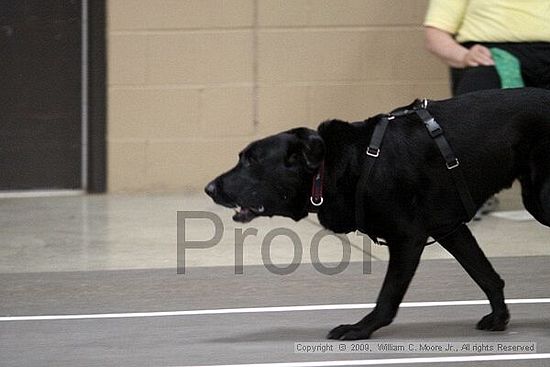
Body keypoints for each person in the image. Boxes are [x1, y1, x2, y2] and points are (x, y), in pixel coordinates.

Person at [423, 0, 550, 219]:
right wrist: (464, 56)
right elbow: (435, 34)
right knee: (477, 106)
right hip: (489, 55)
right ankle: (473, 187)